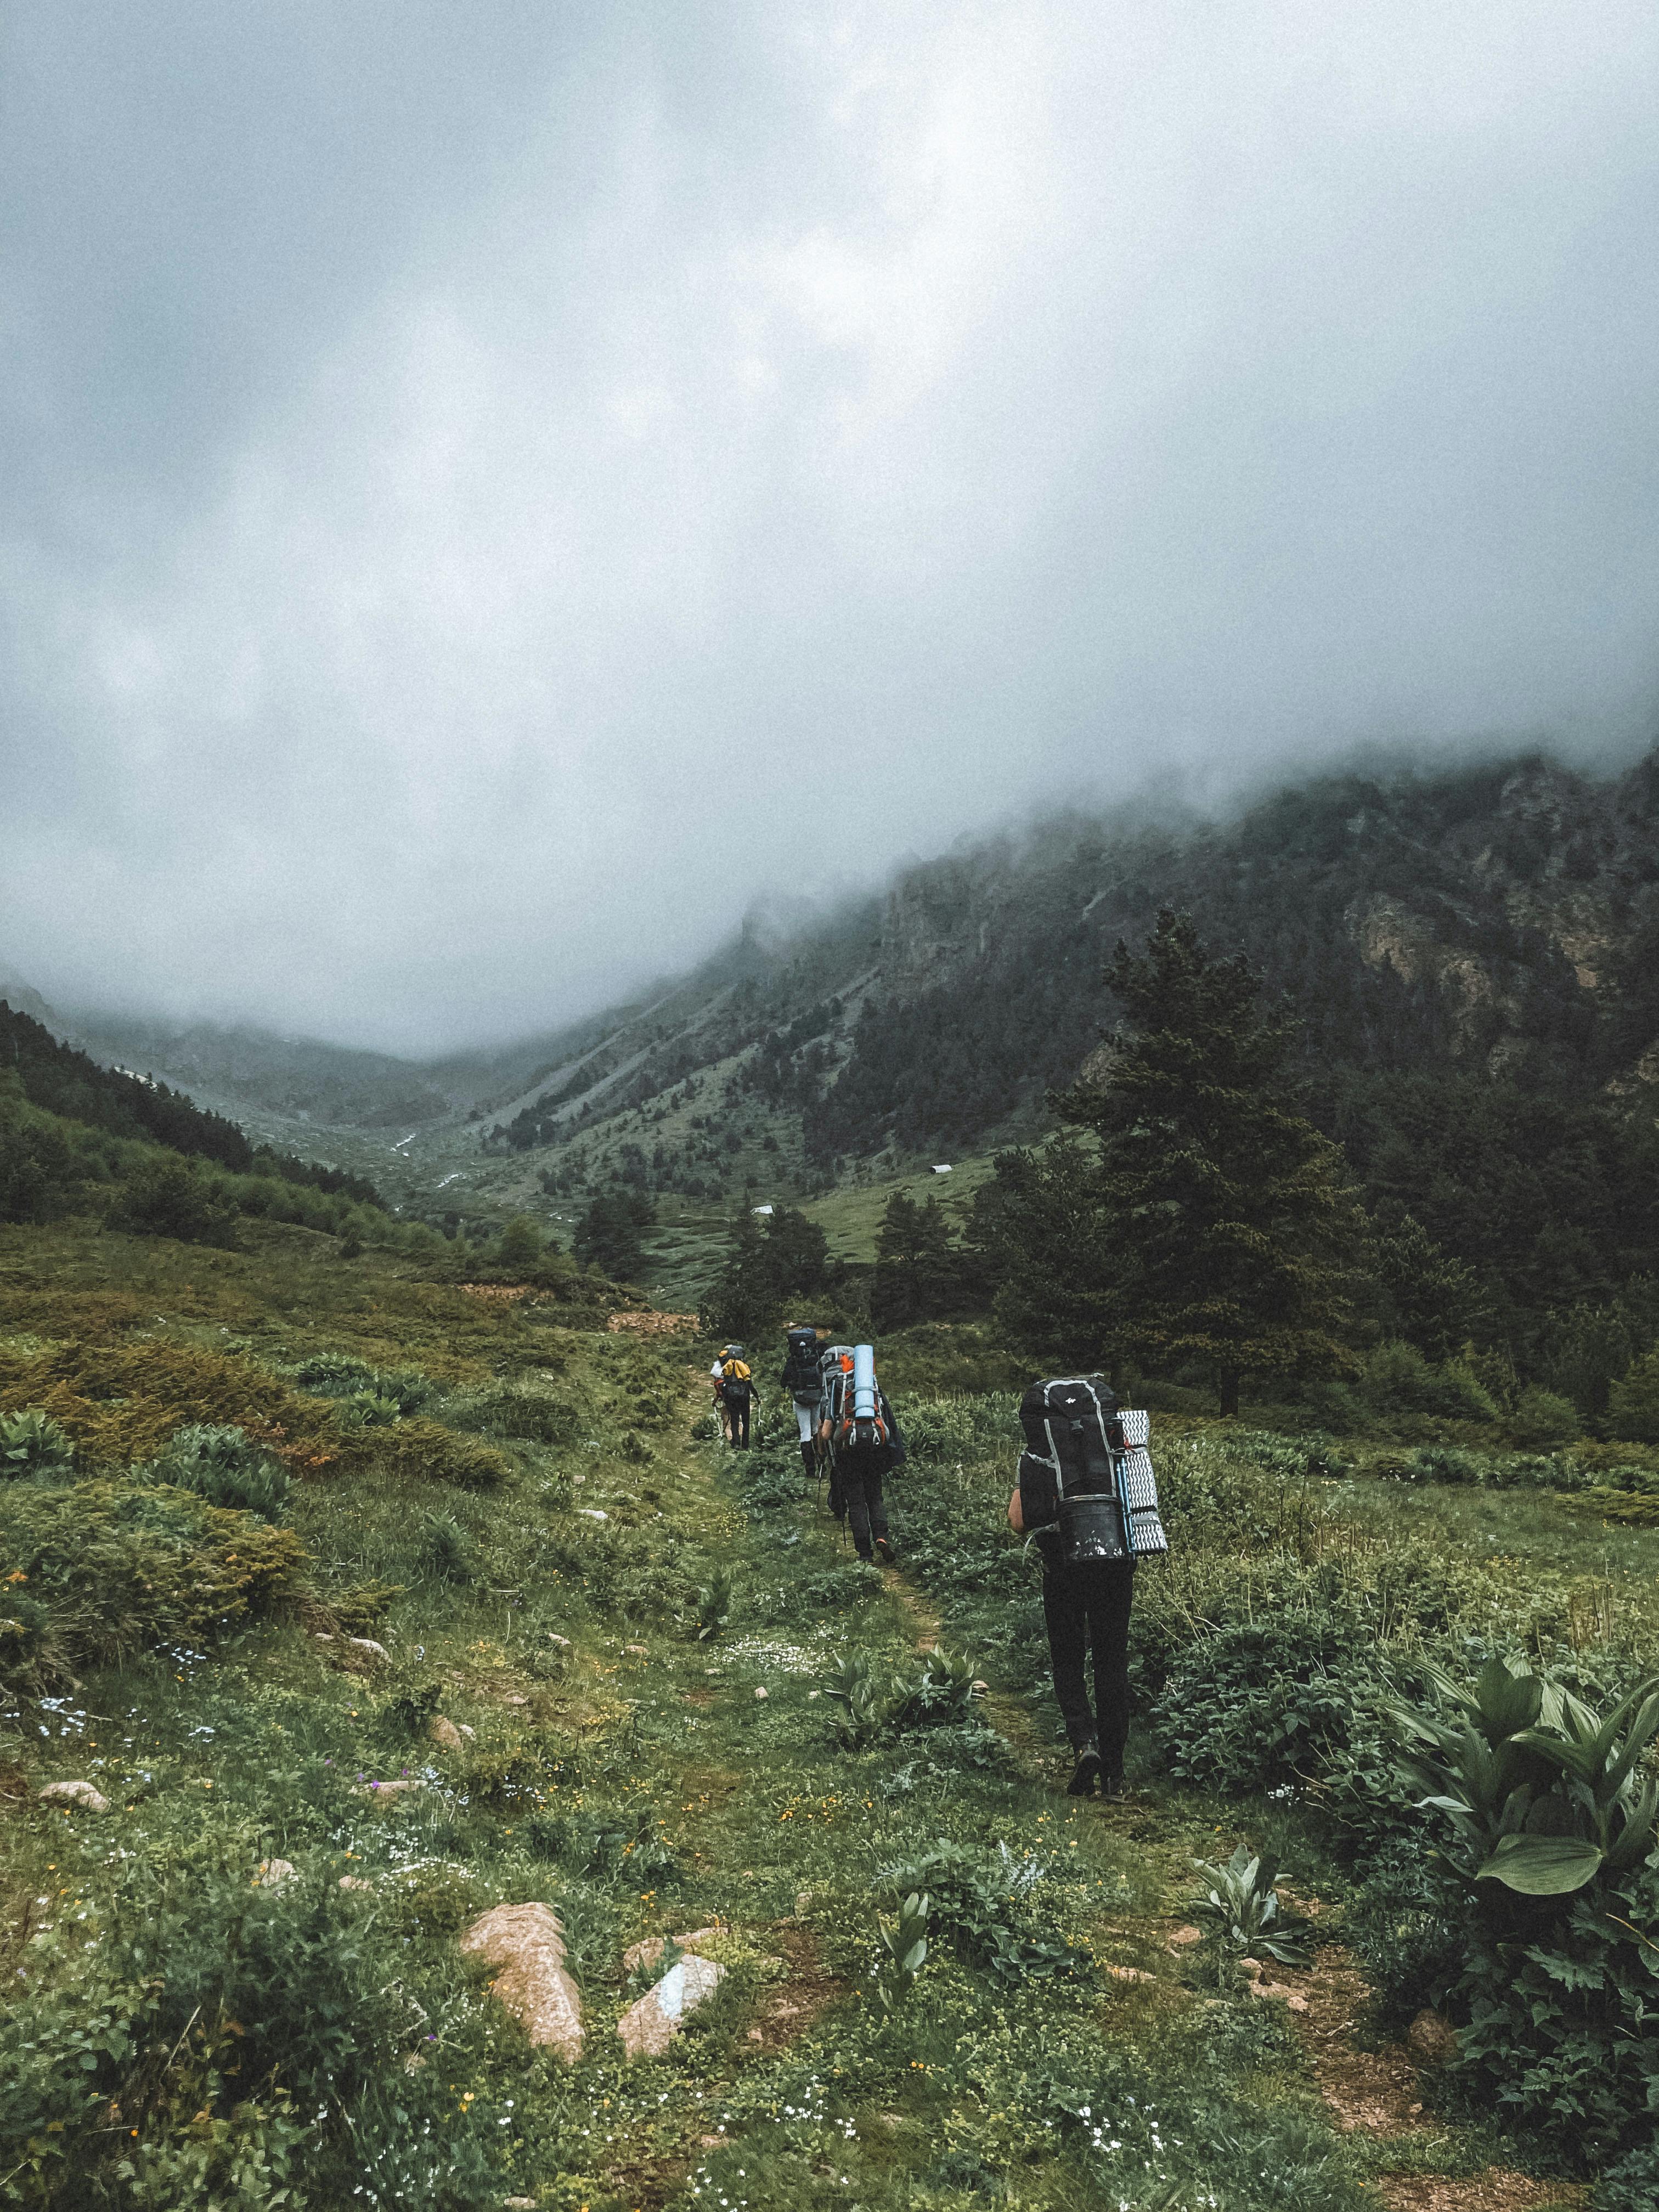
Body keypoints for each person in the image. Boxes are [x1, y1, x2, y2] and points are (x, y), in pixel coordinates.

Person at [1008, 1375, 1136, 1799]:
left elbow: (1019, 1522)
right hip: (1116, 1566)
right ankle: (1115, 1776)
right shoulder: (1119, 1449)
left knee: (1068, 1657)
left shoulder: (1037, 1455)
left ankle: (1084, 1744)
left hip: (1062, 1565)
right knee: (1111, 1660)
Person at [823, 1343, 905, 1563]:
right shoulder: (872, 1386)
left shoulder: (838, 1385)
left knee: (857, 1502)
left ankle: (865, 1553)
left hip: (849, 1453)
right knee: (875, 1497)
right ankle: (882, 1537)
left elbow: (826, 1432)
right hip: (875, 1450)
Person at [780, 1323, 825, 1482]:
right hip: (817, 1397)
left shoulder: (793, 1360)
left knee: (805, 1432)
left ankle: (810, 1470)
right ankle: (822, 1465)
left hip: (800, 1399)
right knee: (816, 1429)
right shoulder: (817, 1356)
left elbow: (784, 1380)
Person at [710, 1344, 760, 1448]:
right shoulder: (744, 1367)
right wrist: (757, 1397)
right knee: (746, 1421)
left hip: (731, 1398)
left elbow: (724, 1385)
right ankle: (745, 1444)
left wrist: (723, 1398)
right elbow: (750, 1385)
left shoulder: (727, 1368)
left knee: (734, 1420)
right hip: (744, 1397)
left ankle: (736, 1442)